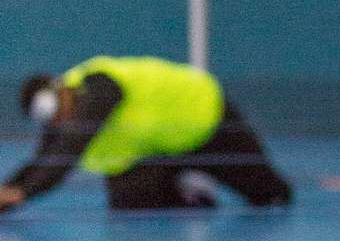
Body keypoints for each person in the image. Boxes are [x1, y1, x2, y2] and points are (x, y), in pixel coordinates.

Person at [0, 57, 292, 212]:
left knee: (271, 195)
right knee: (128, 200)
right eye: (47, 118)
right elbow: (43, 160)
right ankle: (190, 196)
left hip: (205, 124)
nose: (57, 119)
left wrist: (23, 193)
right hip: (152, 154)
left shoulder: (99, 85)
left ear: (62, 88)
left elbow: (68, 151)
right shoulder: (59, 125)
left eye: (54, 108)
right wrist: (9, 193)